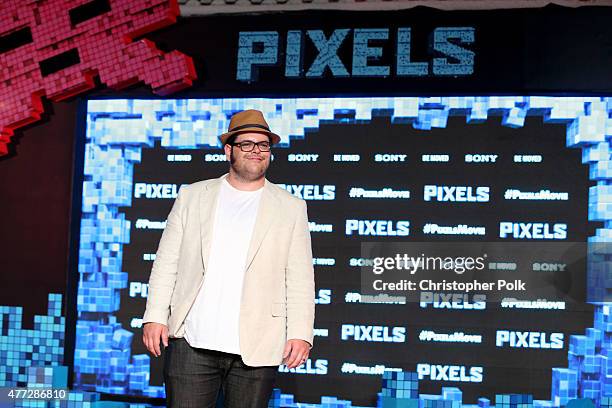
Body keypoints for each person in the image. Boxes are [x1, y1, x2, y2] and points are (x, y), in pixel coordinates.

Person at [141, 109, 315, 407]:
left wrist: (301, 333)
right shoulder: (193, 196)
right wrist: (155, 315)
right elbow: (167, 261)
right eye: (247, 144)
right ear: (228, 150)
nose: (256, 151)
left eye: (263, 145)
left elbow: (299, 277)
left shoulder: (291, 207)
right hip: (191, 341)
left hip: (257, 344)